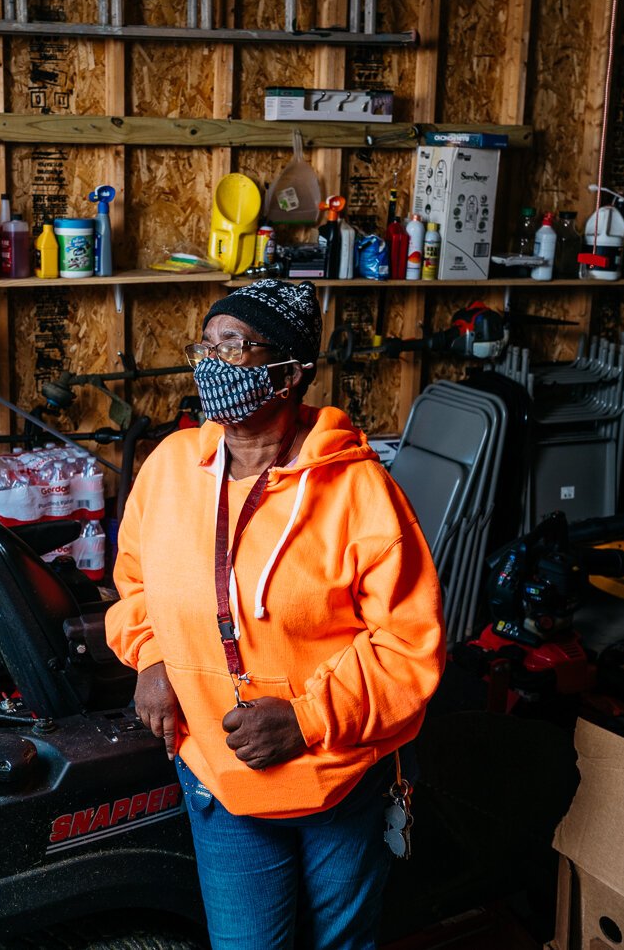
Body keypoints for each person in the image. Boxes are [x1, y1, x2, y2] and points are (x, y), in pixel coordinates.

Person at [106, 279, 446, 949]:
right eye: (206, 343)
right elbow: (135, 582)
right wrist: (148, 656)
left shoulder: (359, 490)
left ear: (288, 373)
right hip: (218, 772)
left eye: (234, 346)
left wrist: (306, 719)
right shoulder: (171, 466)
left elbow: (408, 647)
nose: (210, 360)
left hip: (339, 779)